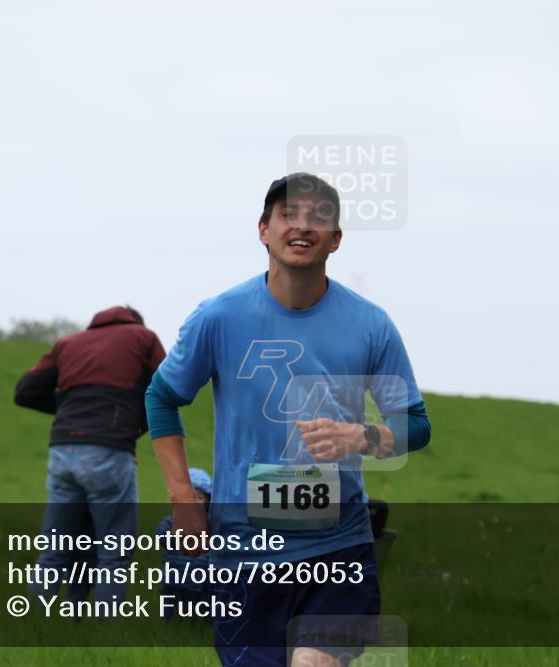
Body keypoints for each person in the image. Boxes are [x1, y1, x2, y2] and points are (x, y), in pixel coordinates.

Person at [145, 173, 432, 667]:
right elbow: (160, 398)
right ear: (263, 229)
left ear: (336, 239)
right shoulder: (219, 317)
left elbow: (416, 425)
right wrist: (185, 502)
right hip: (244, 551)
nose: (302, 226)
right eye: (288, 215)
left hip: (337, 545)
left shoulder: (371, 324)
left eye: (319, 218)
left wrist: (361, 435)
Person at [15, 305, 166, 604]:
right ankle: (108, 631)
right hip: (108, 451)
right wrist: (130, 426)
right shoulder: (143, 338)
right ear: (137, 322)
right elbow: (167, 387)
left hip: (62, 450)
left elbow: (25, 391)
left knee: (54, 549)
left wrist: (74, 411)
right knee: (114, 552)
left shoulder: (67, 343)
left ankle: (29, 620)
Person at [155, 467, 213, 618]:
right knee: (171, 609)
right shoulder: (172, 521)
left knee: (204, 609)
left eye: (199, 498)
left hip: (202, 580)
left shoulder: (211, 524)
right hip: (174, 578)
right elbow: (160, 535)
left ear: (208, 500)